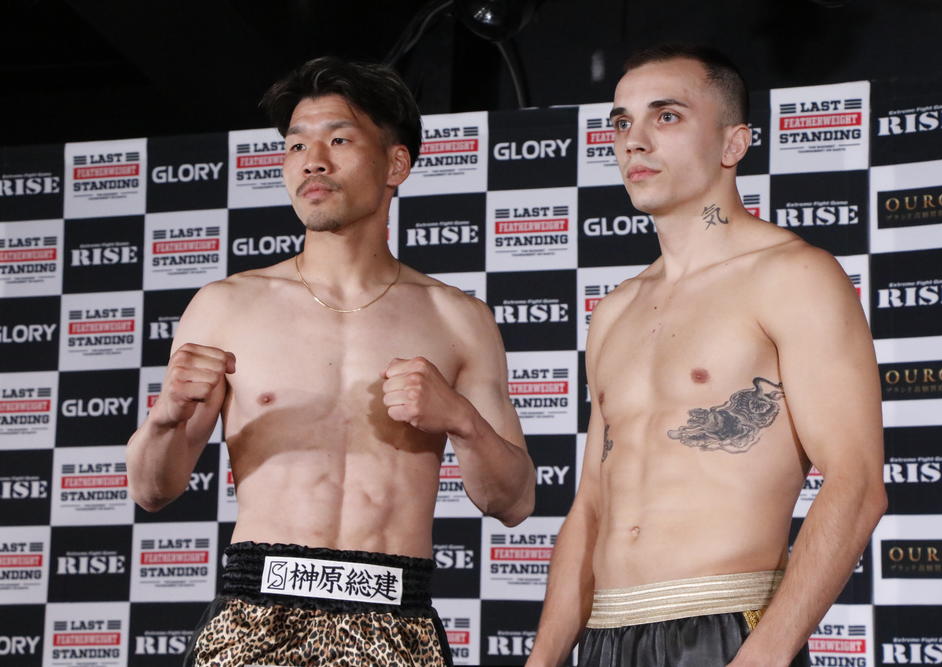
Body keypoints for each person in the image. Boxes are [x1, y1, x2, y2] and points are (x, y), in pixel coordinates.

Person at [126, 56, 534, 667]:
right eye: (296, 145)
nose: (312, 160)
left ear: (396, 164)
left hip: (396, 621)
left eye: (338, 140)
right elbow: (151, 490)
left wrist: (461, 420)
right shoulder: (226, 305)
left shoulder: (458, 318)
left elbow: (515, 502)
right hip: (254, 617)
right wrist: (164, 417)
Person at [527, 44, 886, 666]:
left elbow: (856, 485)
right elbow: (590, 506)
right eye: (621, 121)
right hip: (607, 636)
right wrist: (543, 659)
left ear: (733, 143)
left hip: (724, 630)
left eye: (666, 116)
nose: (634, 141)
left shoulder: (792, 275)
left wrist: (764, 656)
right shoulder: (614, 310)